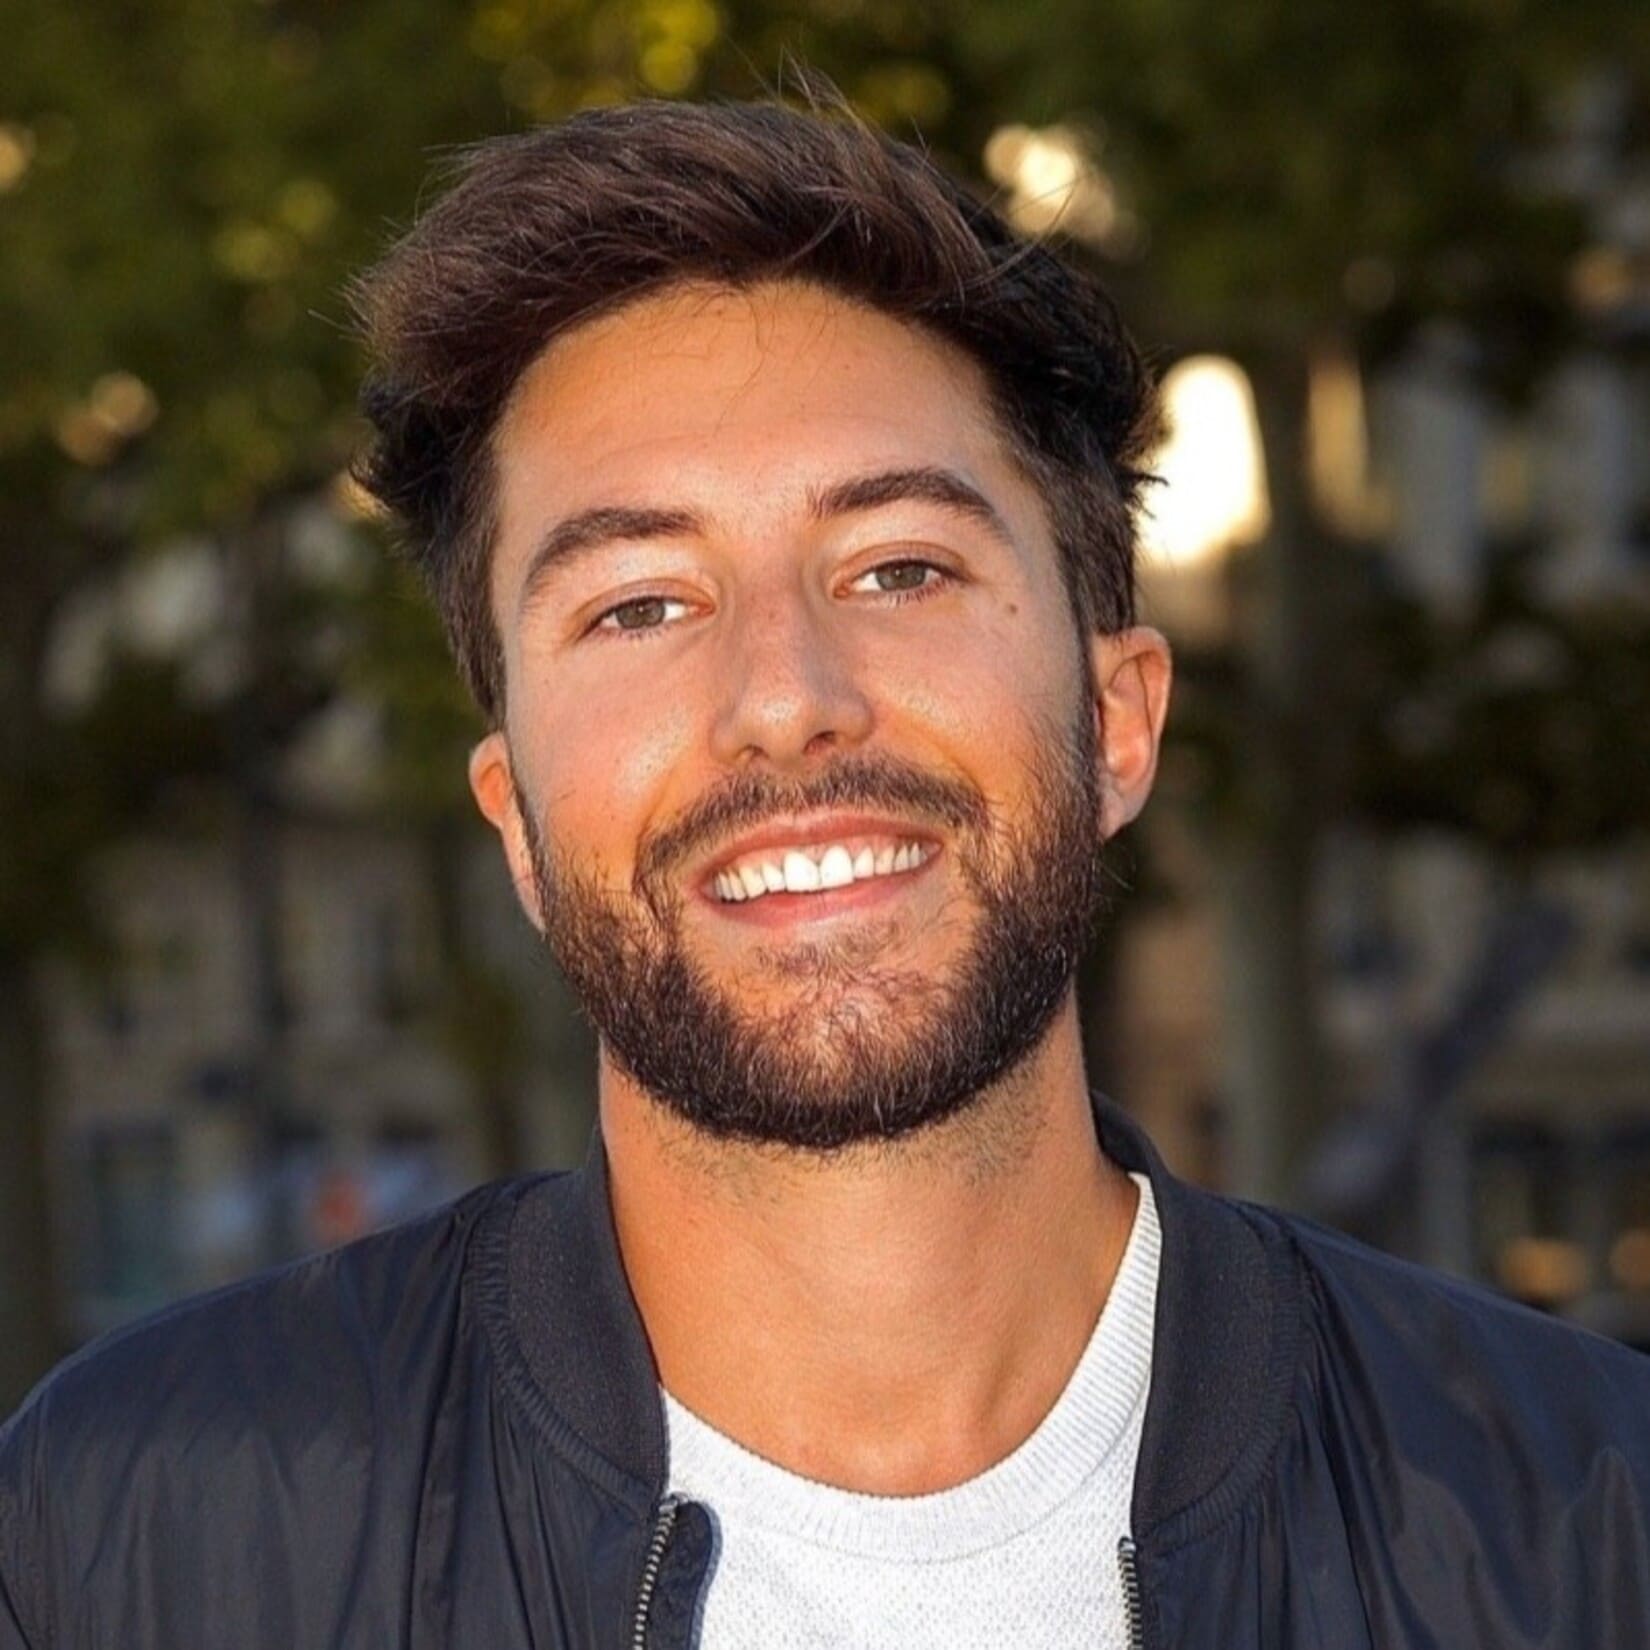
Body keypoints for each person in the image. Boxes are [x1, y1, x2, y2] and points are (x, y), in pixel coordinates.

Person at [4, 94, 1649, 1650]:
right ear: (515, 817)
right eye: (639, 604)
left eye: (898, 566)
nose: (785, 696)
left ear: (1120, 720)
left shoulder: (1584, 1519)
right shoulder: (126, 1536)